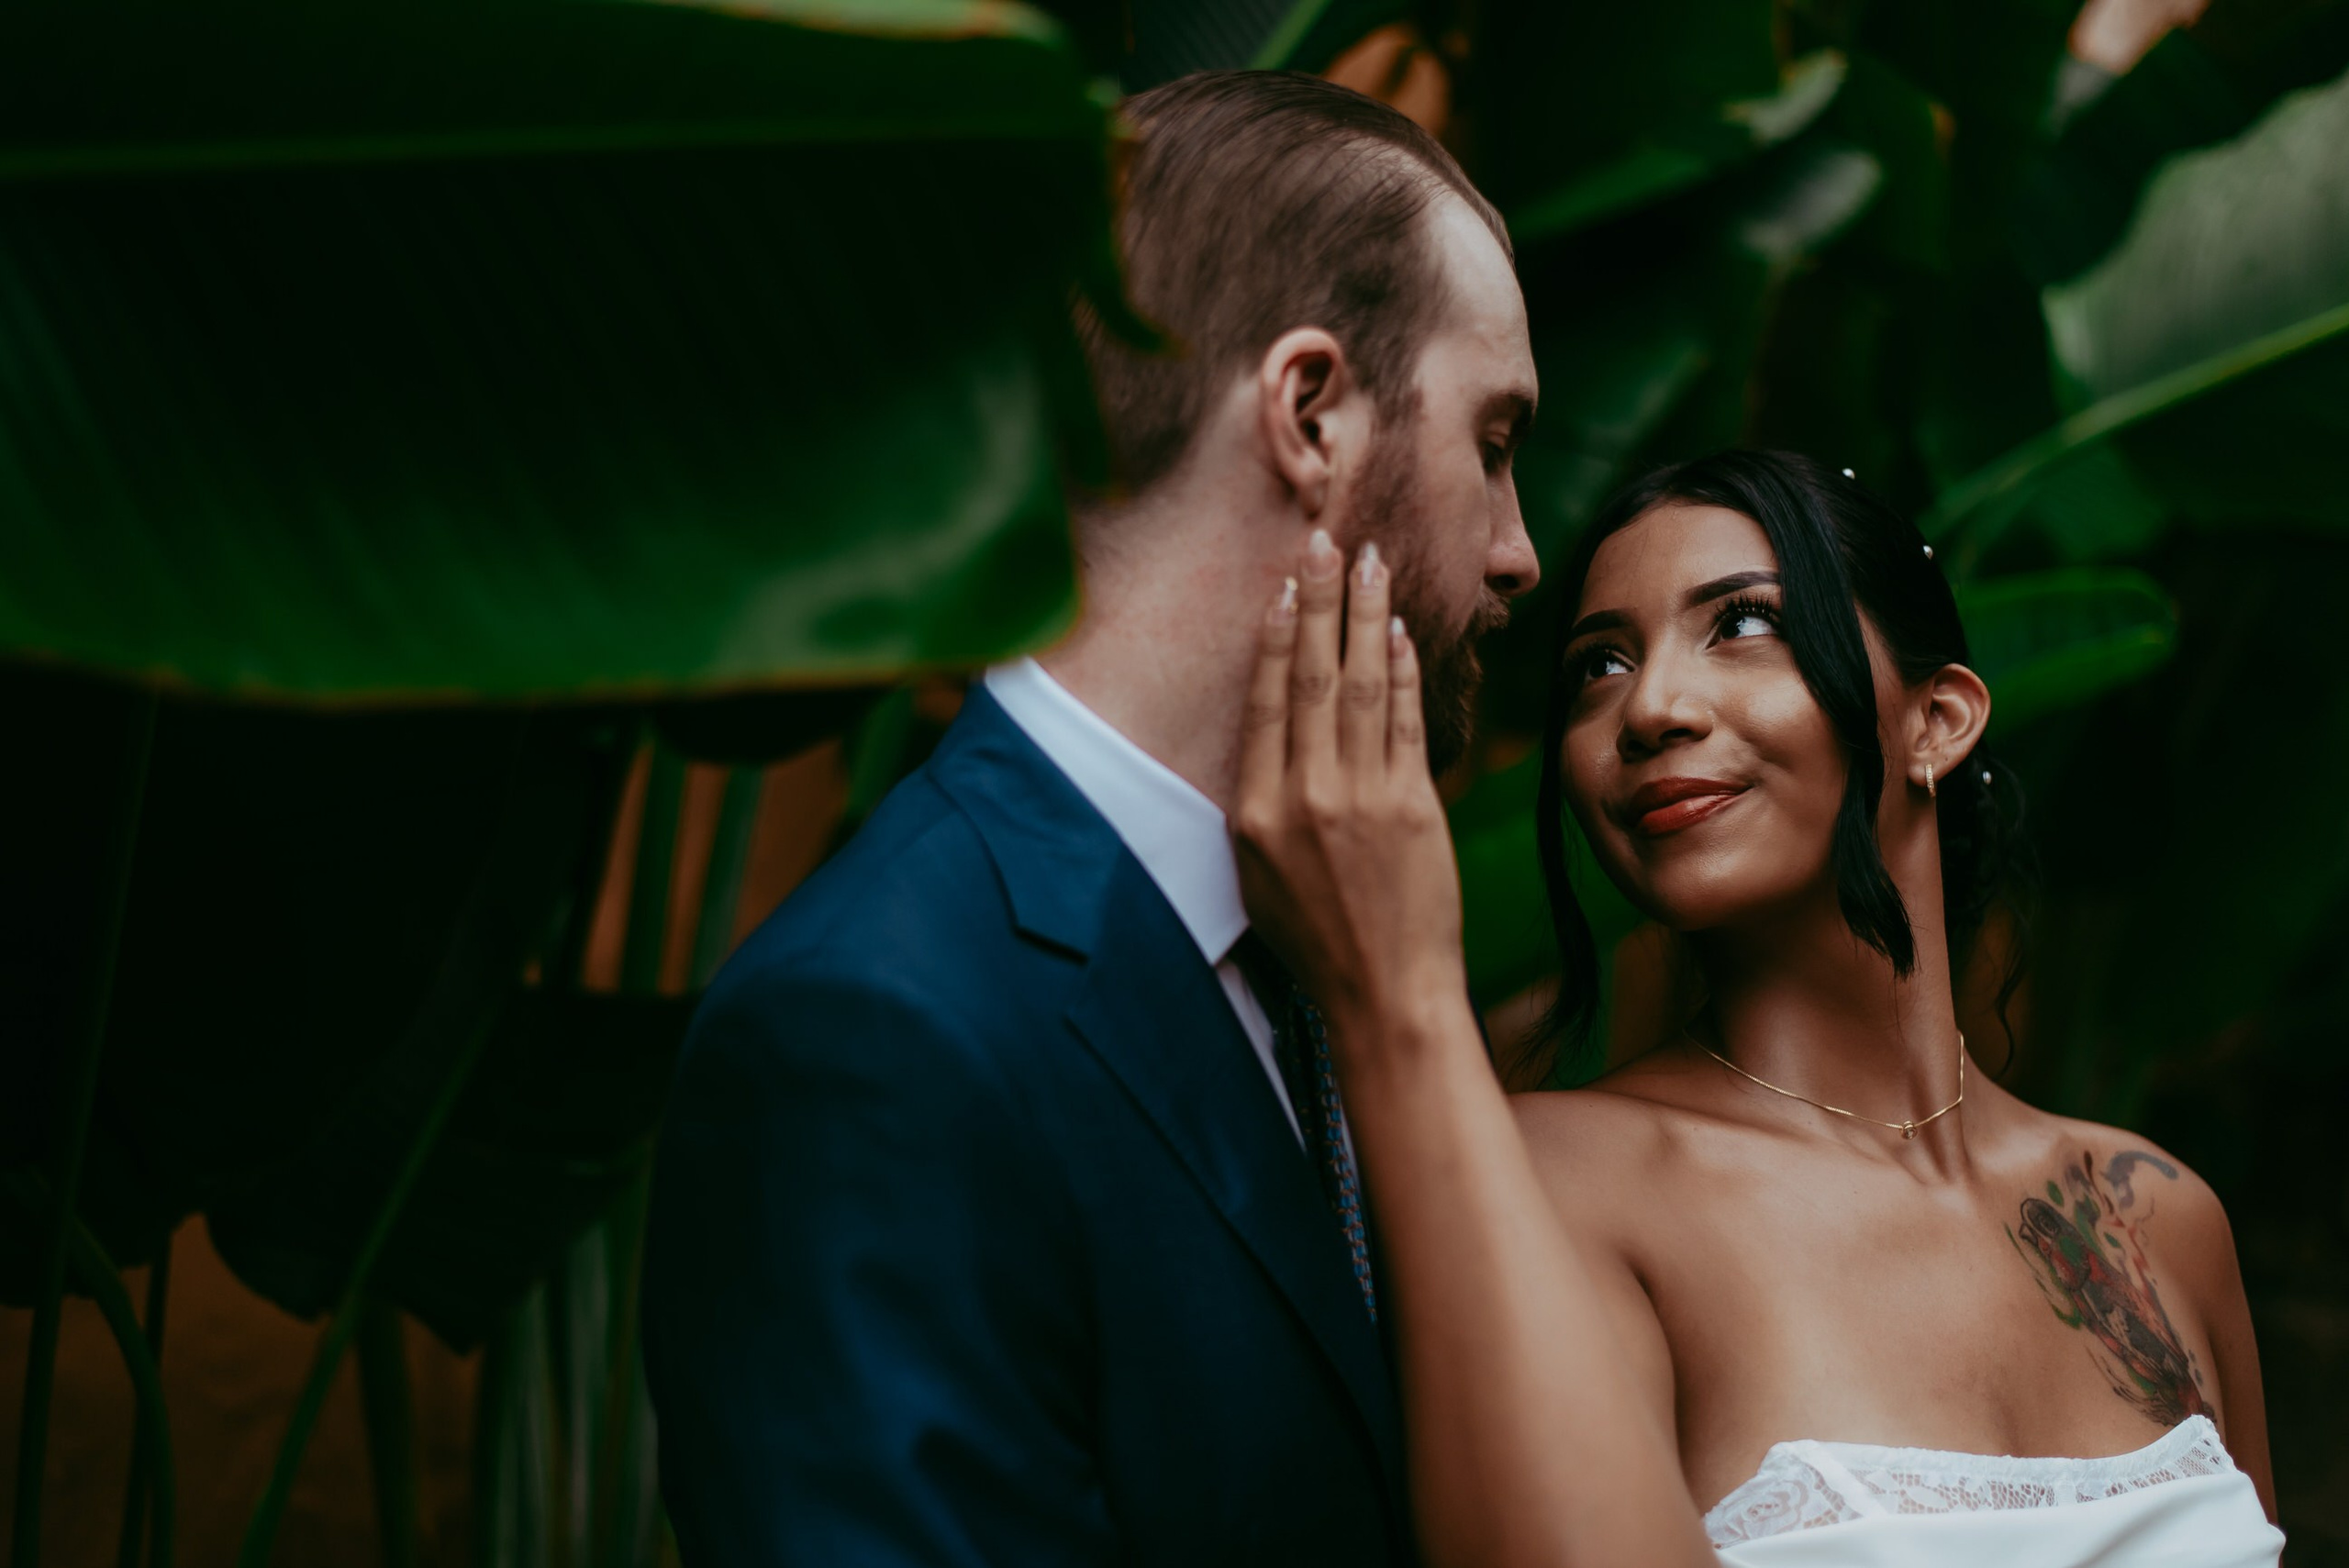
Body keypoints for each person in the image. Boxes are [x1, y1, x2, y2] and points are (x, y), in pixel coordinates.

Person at [639, 70, 1539, 1565]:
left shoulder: (1324, 943)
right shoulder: (872, 1031)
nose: (1517, 552)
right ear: (1311, 411)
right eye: (1494, 443)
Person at [1231, 449, 2285, 1566]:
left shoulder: (2158, 1214)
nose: (1648, 708)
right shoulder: (1558, 1183)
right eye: (1597, 665)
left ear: (1938, 719)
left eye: (1738, 624)